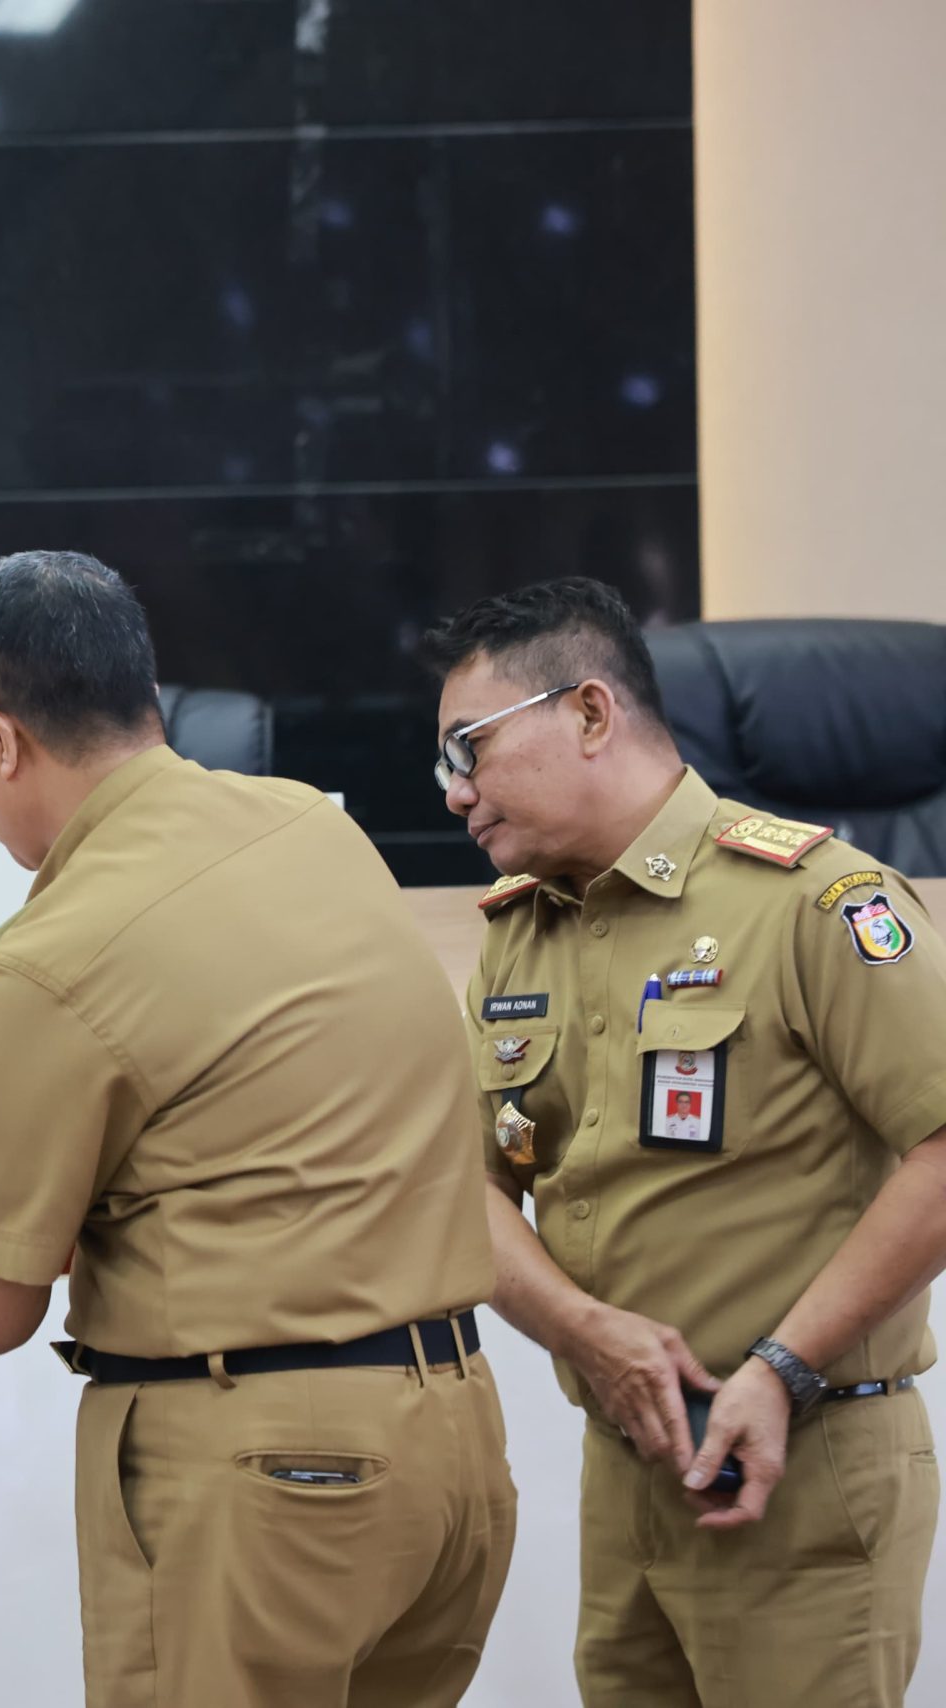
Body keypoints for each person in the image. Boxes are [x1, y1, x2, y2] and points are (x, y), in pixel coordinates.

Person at [0, 550, 513, 1708]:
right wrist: (2, 1053)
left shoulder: (51, 959)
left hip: (262, 1480)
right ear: (140, 695)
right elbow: (235, 1055)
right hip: (450, 1446)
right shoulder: (308, 827)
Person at [422, 577, 946, 1707]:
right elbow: (466, 1189)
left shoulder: (814, 901)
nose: (456, 790)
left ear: (589, 712)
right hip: (628, 1472)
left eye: (471, 746)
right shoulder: (519, 932)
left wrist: (783, 1366)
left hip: (803, 1460)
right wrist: (585, 1332)